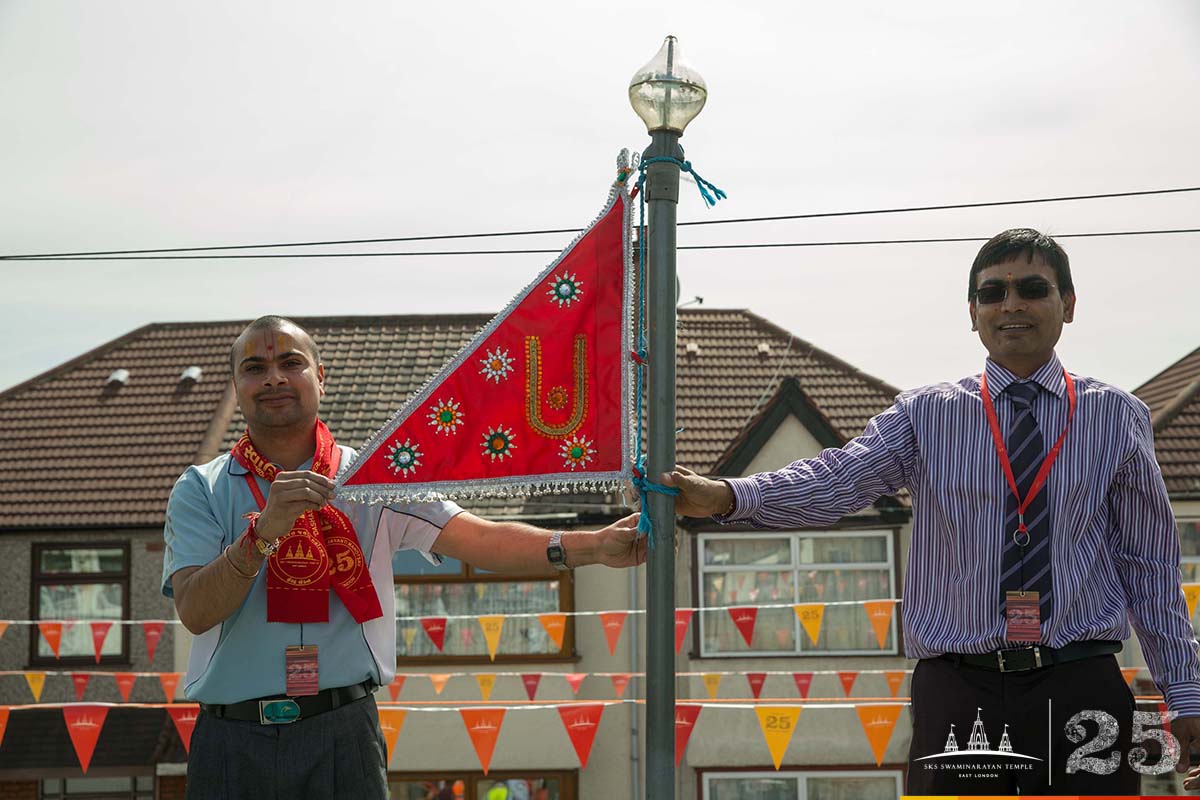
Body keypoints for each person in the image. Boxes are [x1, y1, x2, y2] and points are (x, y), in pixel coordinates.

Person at [664, 229, 1200, 795]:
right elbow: (838, 478)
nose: (1011, 305)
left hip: (1080, 683)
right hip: (959, 690)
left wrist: (1185, 693)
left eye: (1032, 289)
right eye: (992, 293)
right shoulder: (926, 415)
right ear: (972, 313)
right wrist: (728, 496)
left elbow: (1150, 567)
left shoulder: (1116, 416)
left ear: (1067, 303)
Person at [162, 315, 644, 799]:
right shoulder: (200, 489)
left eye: (291, 363)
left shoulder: (374, 479)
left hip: (343, 734)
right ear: (236, 386)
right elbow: (196, 611)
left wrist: (594, 546)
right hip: (232, 740)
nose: (273, 379)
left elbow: (481, 539)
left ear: (321, 377)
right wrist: (261, 534)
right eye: (255, 368)